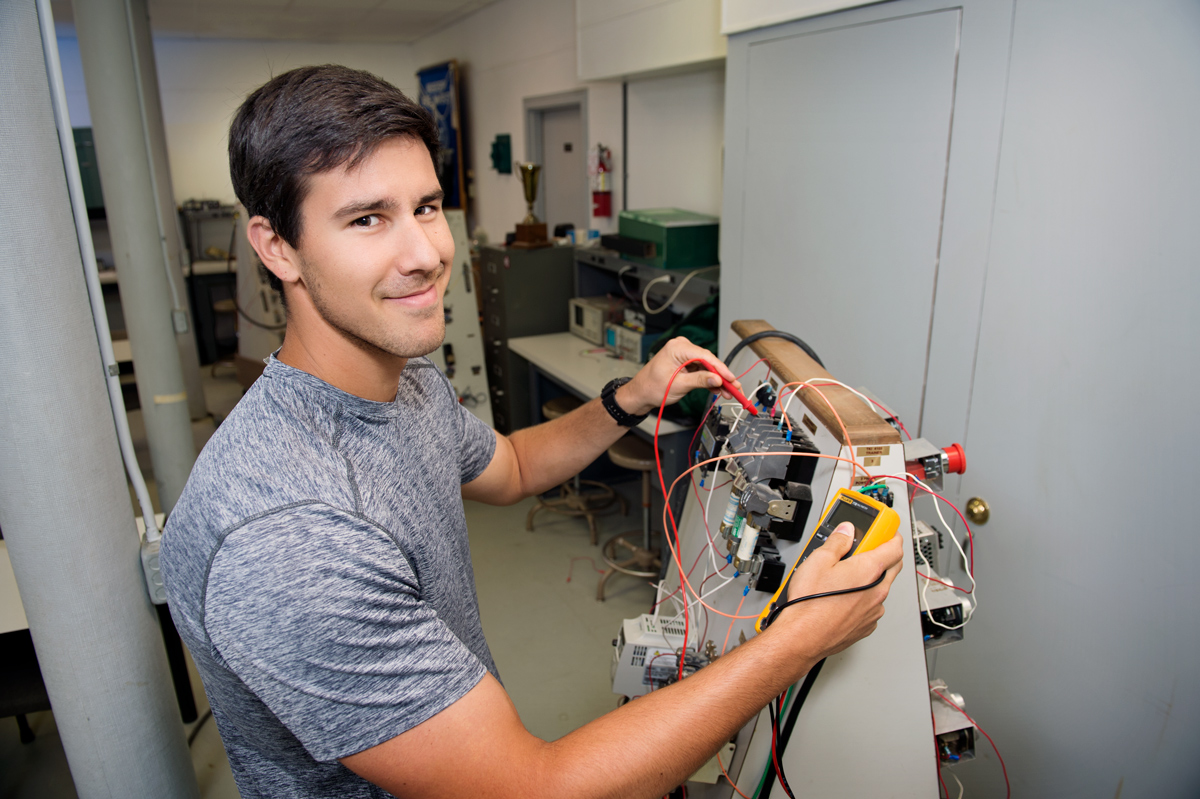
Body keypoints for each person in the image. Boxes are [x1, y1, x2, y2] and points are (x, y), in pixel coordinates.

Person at [159, 64, 904, 799]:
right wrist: (798, 638)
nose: (426, 254)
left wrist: (632, 397)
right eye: (366, 218)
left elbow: (511, 465)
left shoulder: (405, 379)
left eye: (425, 207)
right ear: (275, 247)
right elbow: (531, 787)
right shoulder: (289, 537)